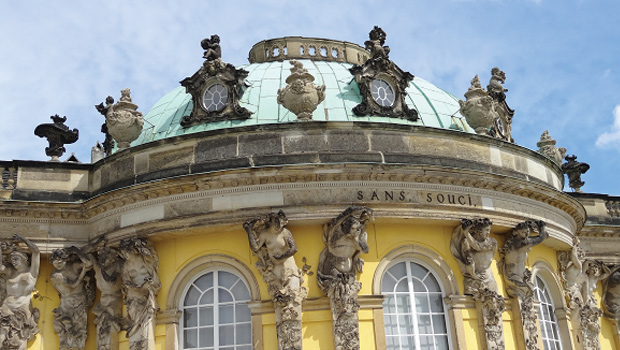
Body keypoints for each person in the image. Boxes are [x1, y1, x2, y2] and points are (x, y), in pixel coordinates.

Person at [50, 246, 94, 350]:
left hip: (80, 302)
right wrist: (83, 273)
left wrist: (76, 251)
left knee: (79, 333)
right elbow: (73, 285)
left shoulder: (74, 266)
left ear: (66, 259)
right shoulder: (55, 275)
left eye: (61, 262)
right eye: (55, 263)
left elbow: (88, 263)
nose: (58, 265)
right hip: (66, 304)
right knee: (65, 334)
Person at [0, 235, 40, 350]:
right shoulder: (10, 272)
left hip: (21, 311)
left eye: (16, 259)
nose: (14, 262)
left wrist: (23, 240)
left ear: (25, 260)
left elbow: (36, 251)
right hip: (6, 309)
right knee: (1, 339)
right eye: (12, 260)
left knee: (20, 341)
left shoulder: (31, 273)